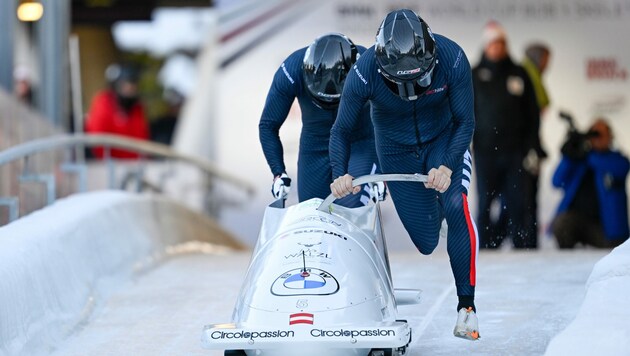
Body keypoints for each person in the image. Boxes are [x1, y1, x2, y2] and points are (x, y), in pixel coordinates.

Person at [329, 9, 479, 340]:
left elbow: (466, 121)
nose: (411, 88)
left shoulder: (452, 58)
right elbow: (341, 130)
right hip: (396, 152)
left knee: (456, 204)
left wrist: (448, 164)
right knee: (425, 242)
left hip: (442, 143)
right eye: (401, 82)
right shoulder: (364, 71)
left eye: (419, 79)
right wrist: (339, 174)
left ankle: (466, 306)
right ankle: (435, 217)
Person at [259, 33, 382, 206]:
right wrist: (278, 172)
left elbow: (391, 117)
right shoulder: (292, 70)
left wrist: (382, 167)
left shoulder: (368, 66)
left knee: (350, 208)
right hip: (314, 146)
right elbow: (268, 125)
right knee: (311, 213)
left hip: (358, 144)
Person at [472, 21, 540, 249]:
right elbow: (464, 113)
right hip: (485, 152)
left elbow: (532, 112)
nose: (497, 48)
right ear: (486, 46)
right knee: (485, 203)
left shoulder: (519, 73)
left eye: (501, 43)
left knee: (517, 203)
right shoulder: (474, 75)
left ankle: (521, 246)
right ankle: (484, 247)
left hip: (514, 151)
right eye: (493, 43)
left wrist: (532, 146)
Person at [552, 118, 629, 248]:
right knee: (562, 223)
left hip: (605, 229)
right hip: (577, 221)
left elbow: (620, 168)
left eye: (601, 134)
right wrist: (569, 157)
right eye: (593, 134)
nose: (597, 138)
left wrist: (586, 154)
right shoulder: (579, 161)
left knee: (613, 250)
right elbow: (556, 181)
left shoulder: (617, 159)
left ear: (610, 137)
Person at [85, 63, 150, 159]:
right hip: (107, 167)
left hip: (135, 166)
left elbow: (142, 139)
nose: (130, 88)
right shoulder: (104, 103)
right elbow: (97, 141)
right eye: (126, 84)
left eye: (133, 84)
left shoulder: (137, 108)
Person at [521, 43, 552, 247]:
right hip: (526, 147)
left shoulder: (530, 74)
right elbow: (531, 114)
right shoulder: (527, 75)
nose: (548, 64)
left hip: (529, 144)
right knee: (524, 196)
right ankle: (526, 241)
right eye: (546, 59)